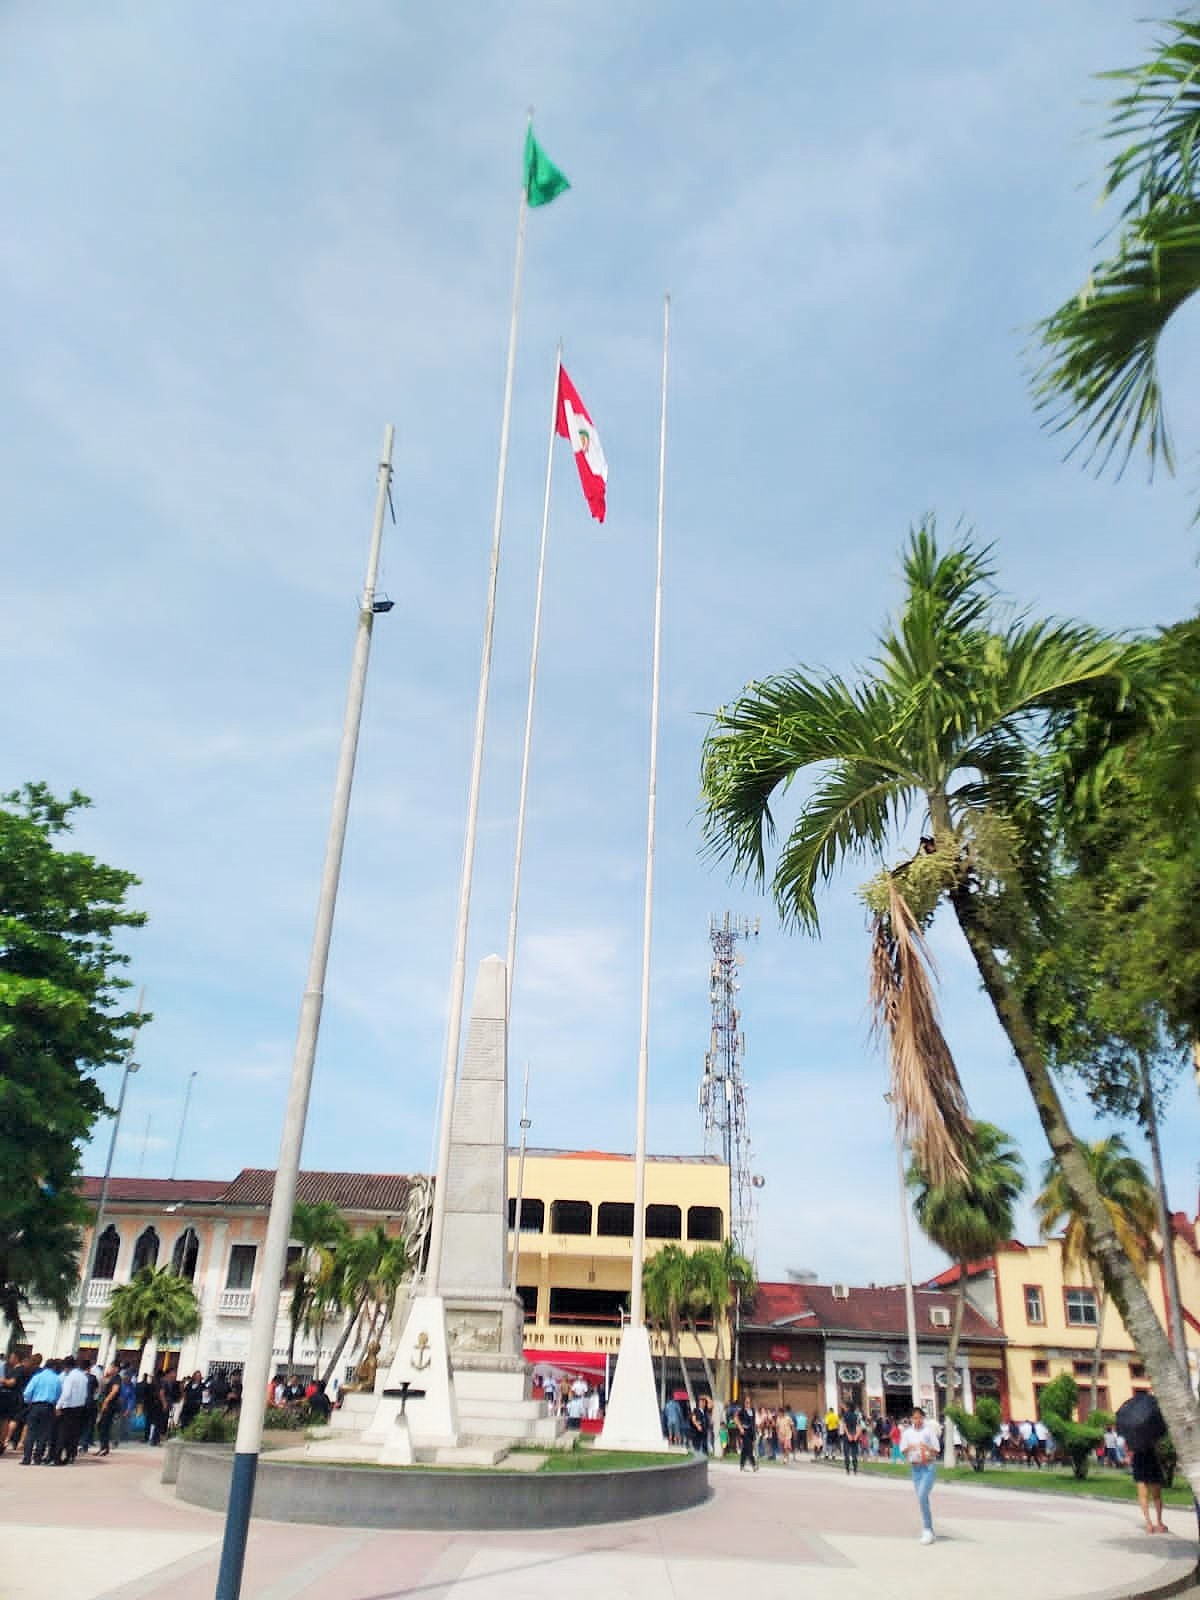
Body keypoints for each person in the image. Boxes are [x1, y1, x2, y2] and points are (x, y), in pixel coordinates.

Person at [899, 1406, 942, 1544]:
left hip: (928, 1468)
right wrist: (910, 1449)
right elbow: (903, 1450)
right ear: (911, 1419)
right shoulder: (907, 1433)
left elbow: (937, 1450)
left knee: (923, 1495)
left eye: (919, 1417)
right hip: (915, 1469)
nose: (917, 1420)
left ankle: (927, 1529)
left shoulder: (928, 1432)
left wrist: (926, 1448)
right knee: (922, 1499)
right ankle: (930, 1530)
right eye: (914, 1418)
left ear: (922, 1418)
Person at [21, 1359, 62, 1466]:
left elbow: (27, 1392)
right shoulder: (57, 1379)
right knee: (43, 1433)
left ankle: (26, 1458)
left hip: (35, 1405)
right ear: (54, 1367)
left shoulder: (37, 1377)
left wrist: (28, 1401)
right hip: (49, 1407)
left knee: (31, 1432)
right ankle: (38, 1458)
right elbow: (59, 1395)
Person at [54, 1355, 89, 1464]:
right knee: (74, 1433)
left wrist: (58, 1406)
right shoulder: (83, 1376)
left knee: (63, 1433)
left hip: (68, 1408)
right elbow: (85, 1394)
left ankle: (57, 1457)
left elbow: (66, 1393)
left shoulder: (70, 1377)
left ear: (66, 1366)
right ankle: (71, 1455)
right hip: (80, 1407)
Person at [1131, 1442, 1168, 1534]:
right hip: (1152, 1458)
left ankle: (1149, 1523)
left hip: (1139, 1459)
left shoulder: (1134, 1436)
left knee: (1143, 1495)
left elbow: (1129, 1447)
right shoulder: (1153, 1434)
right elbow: (1159, 1447)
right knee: (1156, 1495)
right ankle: (1159, 1522)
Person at [96, 1366, 122, 1456]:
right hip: (106, 1405)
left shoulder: (117, 1378)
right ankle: (103, 1447)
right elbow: (102, 1387)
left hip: (110, 1406)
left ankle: (104, 1448)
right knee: (101, 1425)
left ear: (116, 1368)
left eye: (111, 1367)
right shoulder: (111, 1378)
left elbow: (115, 1390)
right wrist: (105, 1377)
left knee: (104, 1425)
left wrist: (106, 1401)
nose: (109, 1369)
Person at [840, 1400, 863, 1475]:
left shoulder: (845, 1415)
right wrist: (856, 1436)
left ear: (848, 1407)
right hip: (855, 1436)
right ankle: (855, 1470)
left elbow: (844, 1426)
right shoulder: (857, 1416)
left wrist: (848, 1435)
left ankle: (847, 1470)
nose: (844, 1408)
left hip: (847, 1436)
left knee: (846, 1454)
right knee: (854, 1454)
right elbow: (859, 1427)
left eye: (845, 1406)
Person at [736, 1400, 757, 1472]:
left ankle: (742, 1466)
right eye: (746, 1402)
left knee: (745, 1449)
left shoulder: (753, 1410)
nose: (748, 1404)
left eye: (749, 1402)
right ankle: (754, 1464)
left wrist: (754, 1432)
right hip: (744, 1432)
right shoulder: (741, 1410)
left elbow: (753, 1422)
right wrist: (740, 1428)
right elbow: (735, 1418)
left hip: (751, 1432)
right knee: (749, 1448)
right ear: (744, 1403)